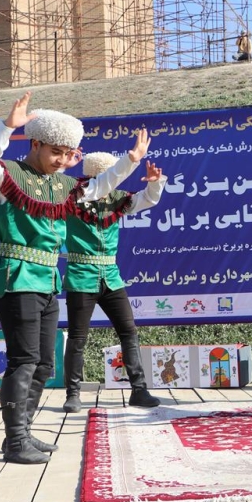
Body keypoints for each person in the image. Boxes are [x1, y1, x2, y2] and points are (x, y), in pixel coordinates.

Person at [0, 91, 151, 464]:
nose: (62, 160)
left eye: (68, 154)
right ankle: (16, 440)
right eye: (56, 152)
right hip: (16, 279)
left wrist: (129, 161)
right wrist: (5, 128)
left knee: (44, 364)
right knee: (24, 359)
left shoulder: (63, 186)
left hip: (47, 281)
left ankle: (23, 433)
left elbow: (99, 189)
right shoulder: (10, 176)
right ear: (35, 143)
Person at [62, 152, 167, 413]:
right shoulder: (73, 198)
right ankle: (73, 394)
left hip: (111, 276)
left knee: (128, 331)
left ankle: (139, 390)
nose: (113, 182)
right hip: (81, 276)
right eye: (110, 176)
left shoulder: (118, 200)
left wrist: (154, 182)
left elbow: (148, 199)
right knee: (77, 337)